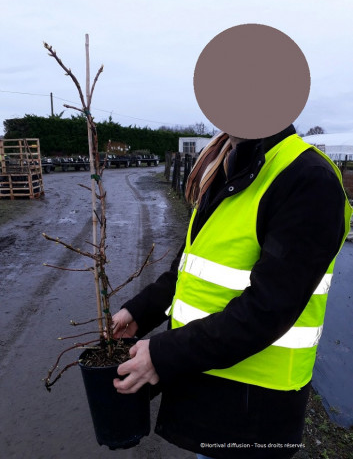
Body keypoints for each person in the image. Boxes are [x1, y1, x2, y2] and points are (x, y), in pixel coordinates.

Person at [111, 125, 352, 459]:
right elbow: (189, 268)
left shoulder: (308, 180)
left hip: (255, 415)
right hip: (211, 393)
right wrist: (140, 311)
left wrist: (163, 355)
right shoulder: (230, 167)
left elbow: (269, 309)